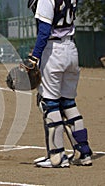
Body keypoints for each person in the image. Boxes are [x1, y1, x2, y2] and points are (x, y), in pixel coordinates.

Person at [26, 0, 93, 167]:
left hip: (53, 50)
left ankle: (57, 156)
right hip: (71, 49)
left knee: (49, 103)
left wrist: (34, 57)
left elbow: (44, 30)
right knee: (68, 103)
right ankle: (83, 152)